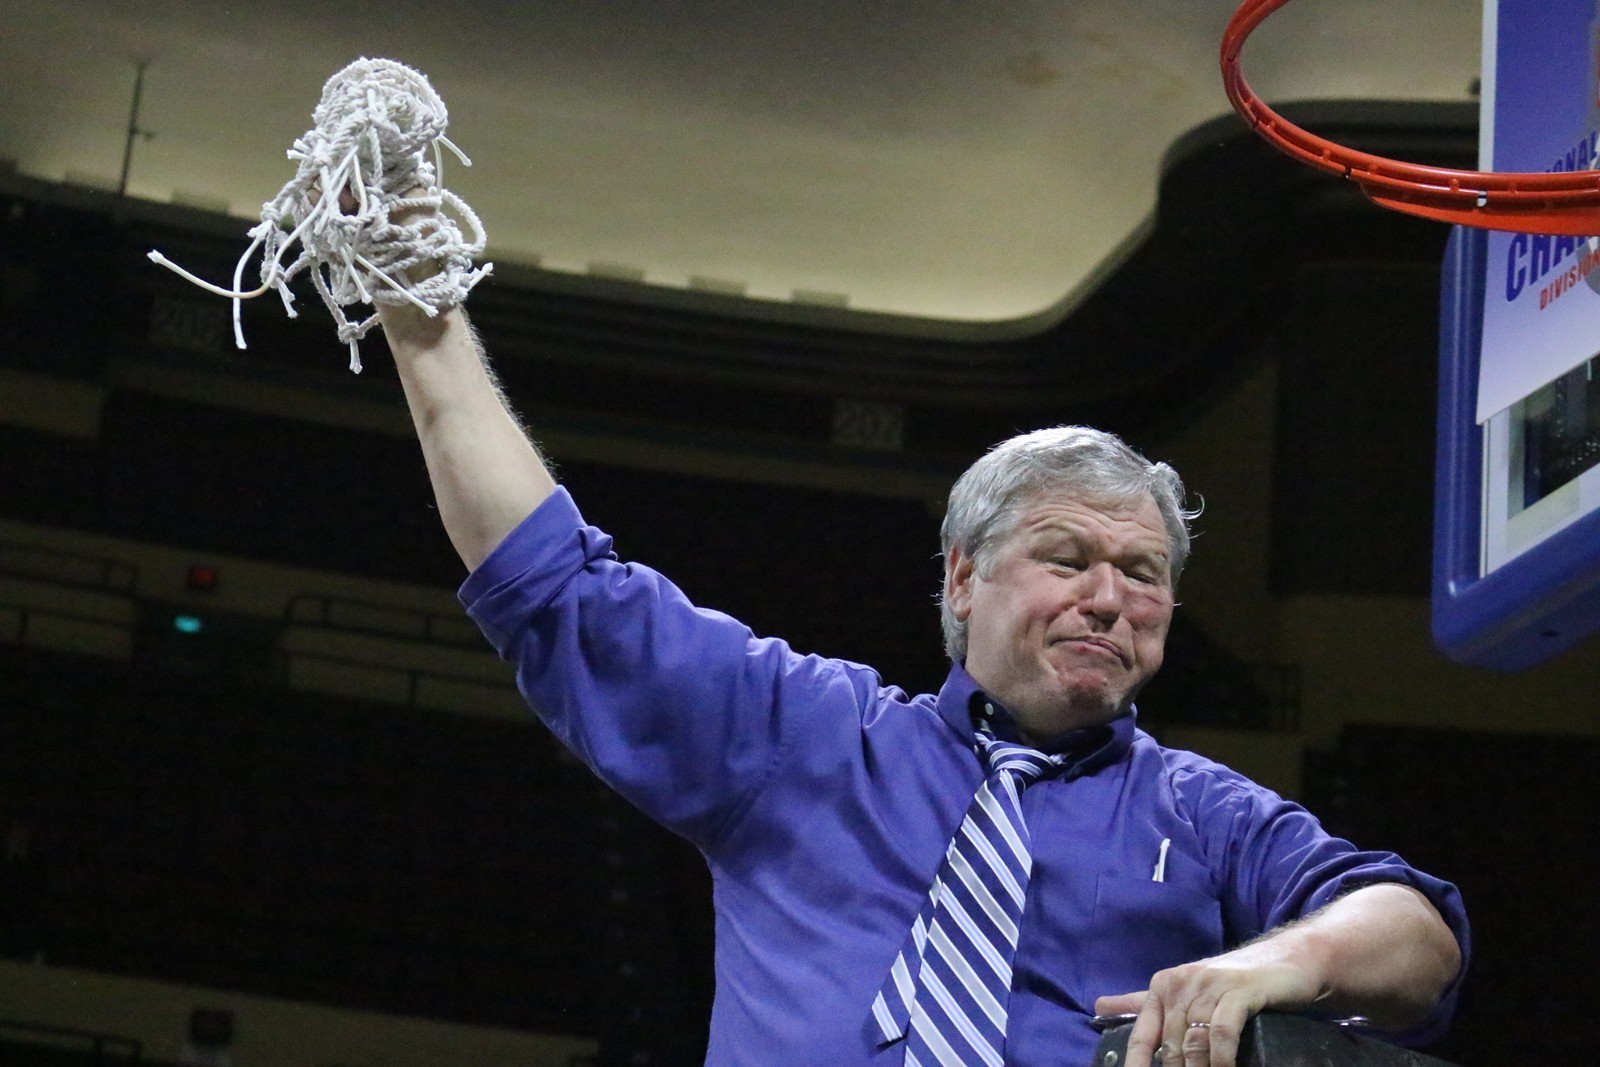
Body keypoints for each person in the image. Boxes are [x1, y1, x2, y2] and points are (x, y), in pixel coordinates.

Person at [373, 276, 1467, 1067]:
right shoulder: (808, 735)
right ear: (962, 578)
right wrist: (424, 320)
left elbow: (1417, 936)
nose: (1108, 596)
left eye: (1142, 572)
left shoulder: (1204, 810)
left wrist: (1276, 962)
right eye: (1067, 557)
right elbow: (559, 587)